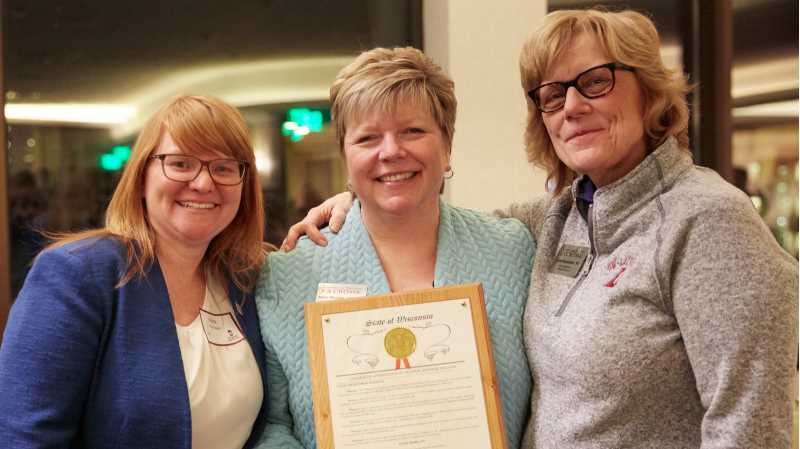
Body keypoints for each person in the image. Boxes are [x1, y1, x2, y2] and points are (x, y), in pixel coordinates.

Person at [283, 9, 798, 449]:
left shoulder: (708, 220)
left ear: (649, 91)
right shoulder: (560, 217)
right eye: (552, 94)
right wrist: (359, 198)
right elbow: (432, 218)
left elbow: (750, 422)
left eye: (595, 81)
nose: (573, 106)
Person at [253, 47, 535, 449]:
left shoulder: (512, 249)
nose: (390, 152)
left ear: (447, 145)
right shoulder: (289, 274)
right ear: (346, 156)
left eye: (413, 131)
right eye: (368, 137)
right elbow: (271, 424)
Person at [0, 95, 270, 449]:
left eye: (223, 167)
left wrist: (348, 201)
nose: (204, 184)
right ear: (142, 176)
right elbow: (22, 437)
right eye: (181, 163)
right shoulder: (79, 274)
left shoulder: (246, 279)